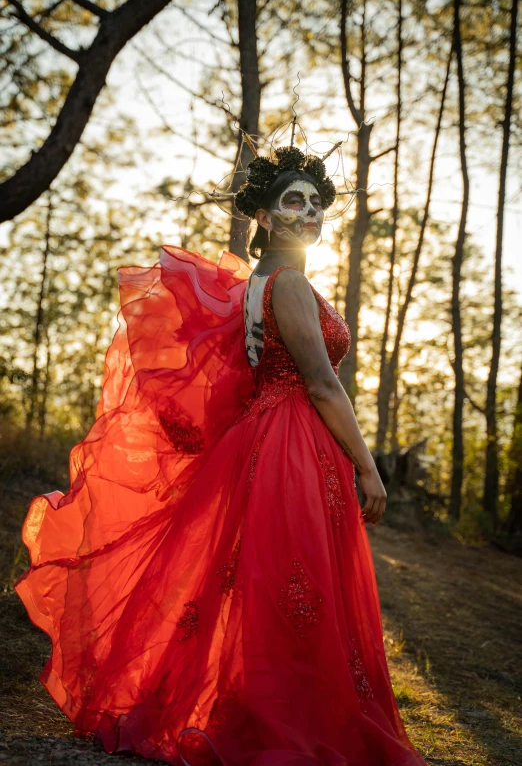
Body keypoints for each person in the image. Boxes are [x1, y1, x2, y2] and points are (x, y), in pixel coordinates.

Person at [15, 145, 428, 766]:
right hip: (290, 438)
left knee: (270, 583)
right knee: (294, 580)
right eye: (294, 201)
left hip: (268, 438)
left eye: (317, 203)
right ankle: (283, 722)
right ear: (263, 216)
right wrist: (368, 466)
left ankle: (265, 706)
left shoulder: (261, 282)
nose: (309, 211)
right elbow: (320, 381)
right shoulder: (286, 283)